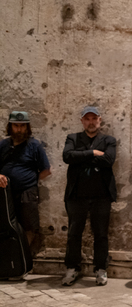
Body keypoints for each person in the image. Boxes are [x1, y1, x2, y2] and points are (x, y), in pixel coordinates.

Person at [62, 106, 117, 286]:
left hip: (101, 196)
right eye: (87, 119)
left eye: (94, 118)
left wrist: (81, 157)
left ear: (100, 120)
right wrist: (93, 153)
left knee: (100, 234)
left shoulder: (109, 140)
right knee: (73, 233)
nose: (91, 122)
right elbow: (68, 156)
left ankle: (101, 269)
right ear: (82, 121)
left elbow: (109, 160)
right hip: (76, 195)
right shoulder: (73, 138)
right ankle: (72, 268)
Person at [0, 111, 51, 249]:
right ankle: (8, 259)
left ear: (27, 127)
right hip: (5, 192)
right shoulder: (3, 145)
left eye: (23, 126)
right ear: (10, 127)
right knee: (5, 224)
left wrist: (29, 180)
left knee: (29, 226)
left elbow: (46, 170)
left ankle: (23, 256)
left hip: (27, 192)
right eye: (16, 126)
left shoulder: (34, 145)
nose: (19, 129)